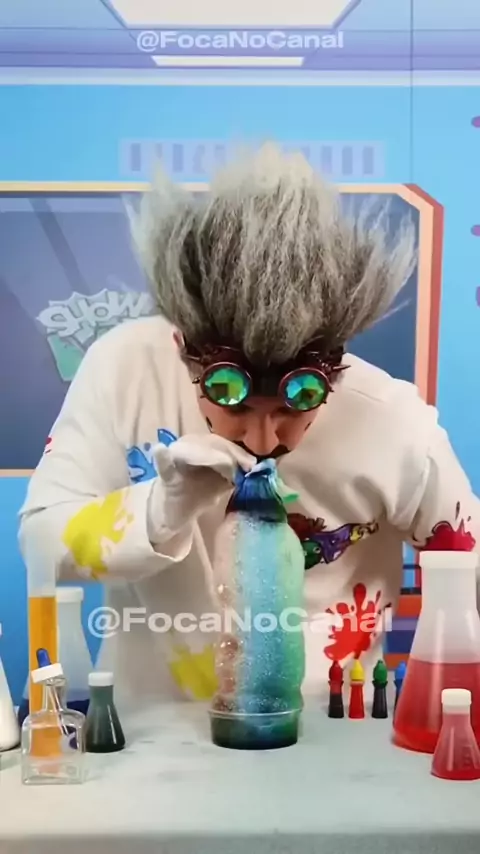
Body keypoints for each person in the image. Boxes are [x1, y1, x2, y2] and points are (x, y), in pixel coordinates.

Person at [18, 144, 480, 714]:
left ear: (335, 364)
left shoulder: (393, 422)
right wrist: (157, 512)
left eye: (299, 400)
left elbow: (470, 566)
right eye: (228, 395)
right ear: (182, 345)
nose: (263, 441)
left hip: (331, 733)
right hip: (151, 734)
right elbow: (41, 543)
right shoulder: (123, 369)